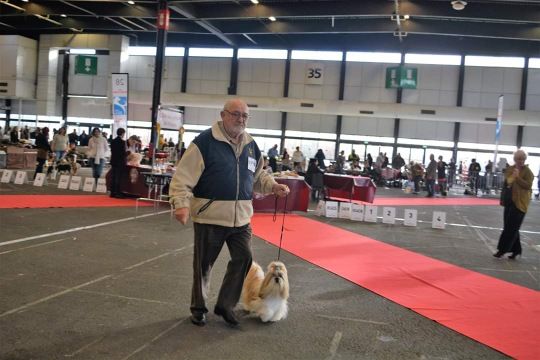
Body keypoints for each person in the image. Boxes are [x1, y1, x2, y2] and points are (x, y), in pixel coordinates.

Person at [169, 99, 290, 327]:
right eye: (236, 114)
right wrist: (180, 203)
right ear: (223, 115)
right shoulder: (204, 143)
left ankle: (226, 305)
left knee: (243, 259)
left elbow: (257, 176)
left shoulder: (251, 145)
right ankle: (198, 308)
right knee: (203, 266)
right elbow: (182, 177)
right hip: (210, 217)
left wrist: (273, 186)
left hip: (241, 219)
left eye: (245, 116)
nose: (240, 119)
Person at [494, 150, 533, 259]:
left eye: (523, 159)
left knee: (510, 228)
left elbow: (528, 186)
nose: (521, 161)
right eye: (519, 159)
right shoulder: (510, 169)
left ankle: (501, 250)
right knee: (510, 226)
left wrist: (518, 178)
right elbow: (506, 184)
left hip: (520, 203)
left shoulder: (528, 172)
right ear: (515, 159)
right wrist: (502, 199)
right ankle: (517, 250)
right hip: (509, 201)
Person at [110, 128, 127, 198]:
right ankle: (117, 193)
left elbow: (112, 151)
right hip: (119, 162)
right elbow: (123, 153)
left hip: (113, 161)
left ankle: (112, 192)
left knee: (113, 177)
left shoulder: (113, 141)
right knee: (118, 178)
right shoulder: (122, 142)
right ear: (122, 133)